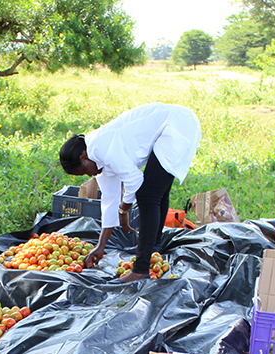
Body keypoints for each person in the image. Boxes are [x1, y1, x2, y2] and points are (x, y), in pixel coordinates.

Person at [58, 103, 201, 282]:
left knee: (148, 195)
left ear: (83, 157)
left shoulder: (100, 147)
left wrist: (124, 208)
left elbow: (134, 181)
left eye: (84, 171)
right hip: (170, 127)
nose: (89, 175)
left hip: (177, 125)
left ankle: (140, 269)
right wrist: (100, 246)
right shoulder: (97, 162)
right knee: (156, 192)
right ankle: (153, 248)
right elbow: (110, 200)